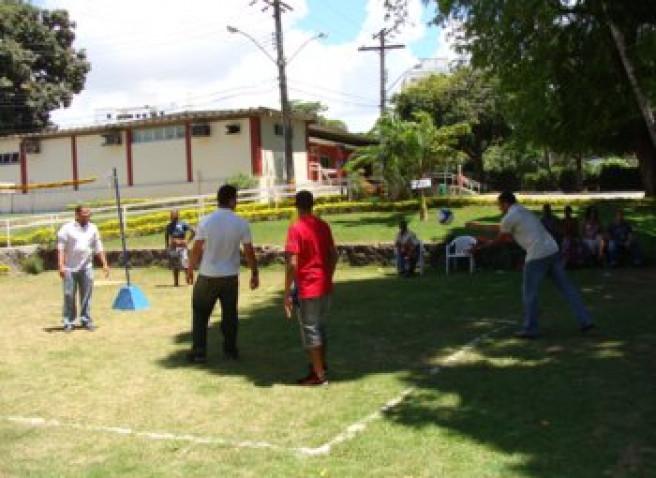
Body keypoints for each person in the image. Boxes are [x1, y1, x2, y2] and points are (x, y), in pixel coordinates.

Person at [474, 192, 594, 338]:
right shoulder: (524, 212)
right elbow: (511, 235)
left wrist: (482, 245)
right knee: (567, 288)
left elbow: (501, 239)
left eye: (499, 205)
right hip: (552, 250)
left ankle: (531, 328)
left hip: (537, 255)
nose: (499, 208)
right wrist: (480, 228)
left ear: (505, 203)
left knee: (529, 293)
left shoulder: (509, 217)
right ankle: (586, 320)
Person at [186, 184, 259, 363]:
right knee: (230, 316)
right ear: (232, 200)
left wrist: (190, 268)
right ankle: (230, 350)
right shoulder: (241, 223)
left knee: (200, 314)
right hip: (230, 276)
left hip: (208, 275)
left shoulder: (205, 221)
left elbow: (196, 249)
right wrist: (254, 273)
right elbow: (249, 251)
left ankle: (199, 352)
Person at [284, 190, 338, 386]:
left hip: (308, 287)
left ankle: (319, 375)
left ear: (297, 206)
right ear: (312, 204)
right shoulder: (323, 225)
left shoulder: (296, 228)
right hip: (324, 285)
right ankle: (320, 366)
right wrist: (328, 275)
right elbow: (334, 255)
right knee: (320, 328)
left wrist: (286, 292)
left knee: (310, 330)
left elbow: (292, 264)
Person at [56, 205, 109, 332]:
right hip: (70, 268)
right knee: (69, 295)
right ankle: (68, 322)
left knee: (86, 295)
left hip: (87, 267)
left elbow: (98, 246)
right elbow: (61, 248)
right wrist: (61, 265)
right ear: (77, 215)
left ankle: (86, 320)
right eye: (84, 214)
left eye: (89, 214)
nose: (87, 216)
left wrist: (104, 263)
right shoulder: (66, 228)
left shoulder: (93, 228)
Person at [164, 209, 195, 287]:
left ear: (178, 215)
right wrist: (167, 246)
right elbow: (167, 237)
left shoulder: (183, 224)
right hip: (174, 247)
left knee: (185, 263)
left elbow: (194, 231)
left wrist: (187, 241)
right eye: (171, 215)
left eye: (174, 215)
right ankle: (176, 283)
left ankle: (190, 281)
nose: (173, 217)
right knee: (175, 264)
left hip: (182, 246)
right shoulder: (169, 226)